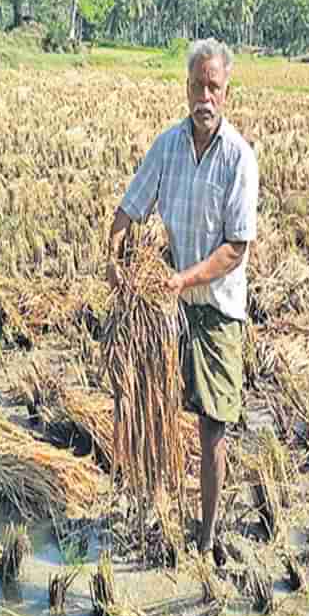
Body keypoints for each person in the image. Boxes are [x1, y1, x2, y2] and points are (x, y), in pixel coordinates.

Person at [107, 38, 259, 566]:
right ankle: (154, 505)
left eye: (213, 86)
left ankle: (207, 534)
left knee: (213, 423)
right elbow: (129, 210)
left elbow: (234, 250)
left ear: (226, 90)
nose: (204, 95)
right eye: (197, 85)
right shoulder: (168, 146)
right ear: (186, 86)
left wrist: (182, 279)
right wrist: (116, 258)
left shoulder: (239, 157)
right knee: (153, 405)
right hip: (166, 310)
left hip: (215, 308)